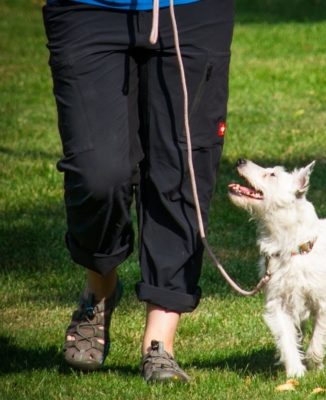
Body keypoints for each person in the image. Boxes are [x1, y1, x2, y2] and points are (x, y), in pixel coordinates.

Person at [42, 0, 234, 383]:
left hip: (192, 11)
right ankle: (100, 286)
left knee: (182, 168)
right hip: (89, 8)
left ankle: (159, 343)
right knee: (97, 174)